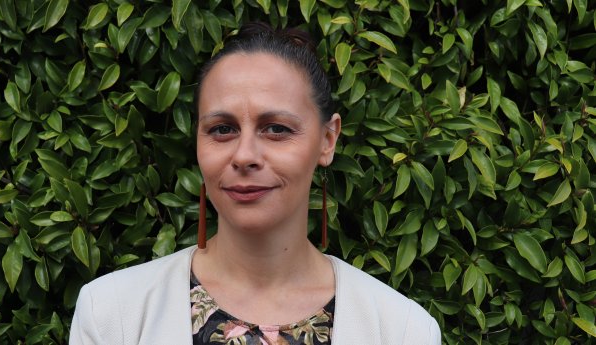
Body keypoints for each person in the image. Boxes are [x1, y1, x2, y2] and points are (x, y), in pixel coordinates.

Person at [69, 22, 441, 345]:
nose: (244, 154)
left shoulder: (403, 330)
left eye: (276, 128)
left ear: (328, 139)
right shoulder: (111, 315)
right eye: (222, 129)